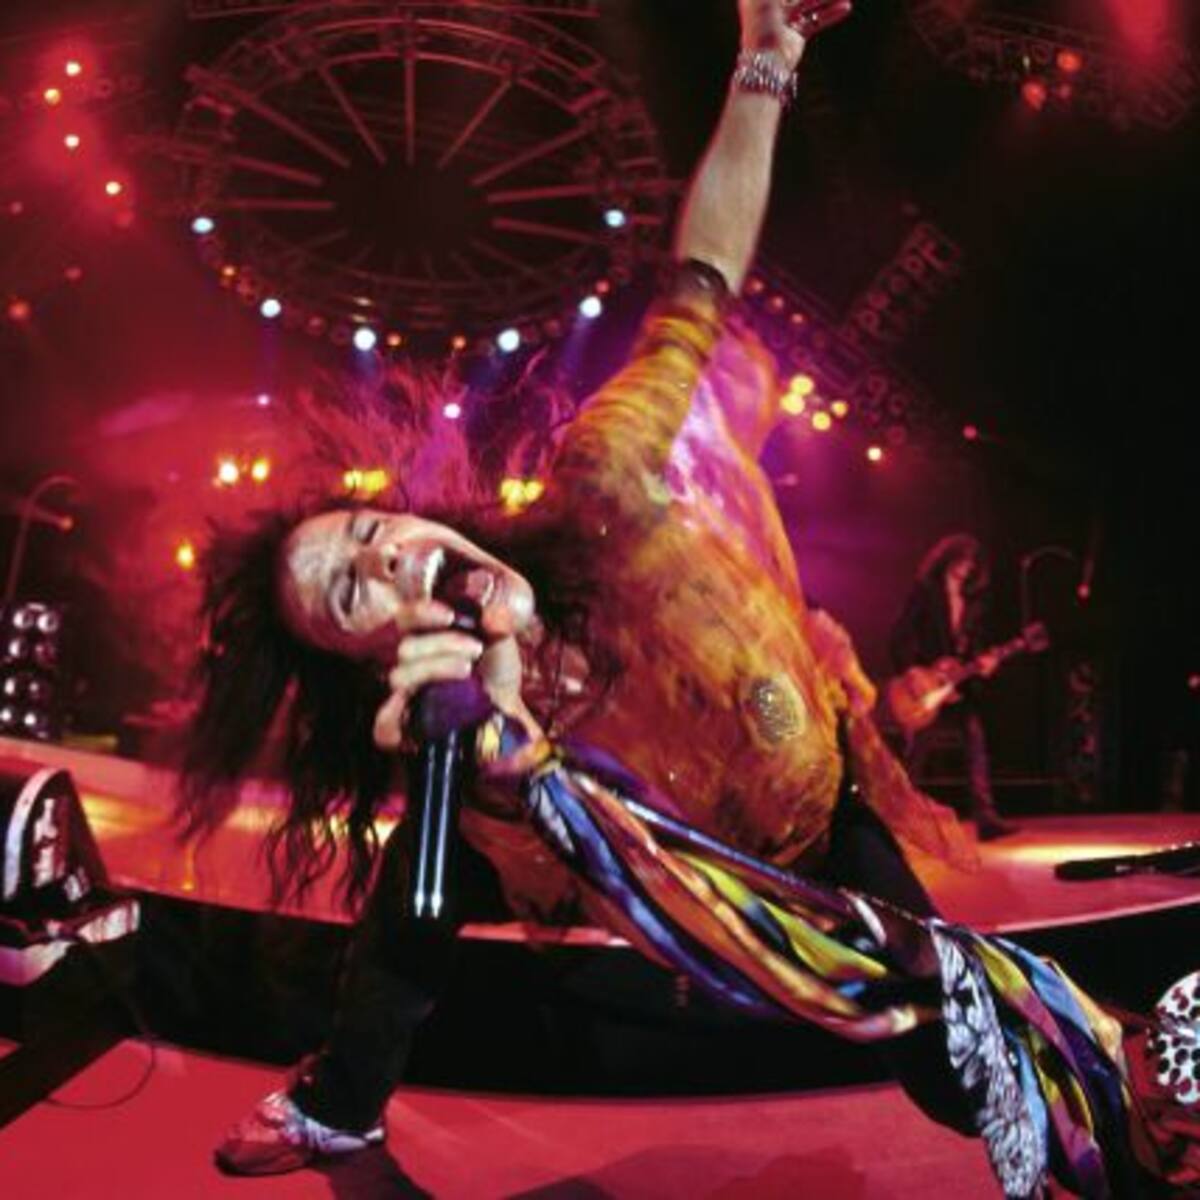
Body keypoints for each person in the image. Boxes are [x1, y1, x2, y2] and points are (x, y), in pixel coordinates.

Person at [180, 4, 1198, 1194]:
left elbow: (698, 282)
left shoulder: (603, 485)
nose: (391, 561)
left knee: (941, 1055)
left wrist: (763, 67)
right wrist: (490, 743)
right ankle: (341, 1100)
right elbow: (578, 848)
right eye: (350, 593)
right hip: (636, 867)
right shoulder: (459, 733)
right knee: (417, 891)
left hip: (809, 828)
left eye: (371, 535)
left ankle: (1147, 1121)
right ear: (370, 660)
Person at [889, 534, 1018, 841]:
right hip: (927, 686)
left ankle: (986, 819)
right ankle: (897, 817)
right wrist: (912, 671)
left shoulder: (975, 601)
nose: (967, 567)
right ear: (947, 559)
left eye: (972, 562)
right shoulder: (926, 592)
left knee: (976, 745)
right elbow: (900, 635)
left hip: (960, 687)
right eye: (963, 559)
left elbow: (975, 646)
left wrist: (987, 662)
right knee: (917, 754)